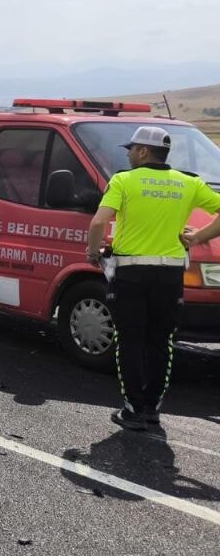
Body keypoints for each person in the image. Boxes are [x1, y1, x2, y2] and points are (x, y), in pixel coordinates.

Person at [88, 126, 220, 431]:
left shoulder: (123, 180)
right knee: (161, 342)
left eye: (131, 149)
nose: (129, 153)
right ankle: (152, 408)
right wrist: (198, 236)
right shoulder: (189, 182)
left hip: (131, 273)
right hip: (171, 275)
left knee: (130, 341)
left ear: (143, 151)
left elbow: (98, 223)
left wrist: (93, 253)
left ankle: (132, 408)